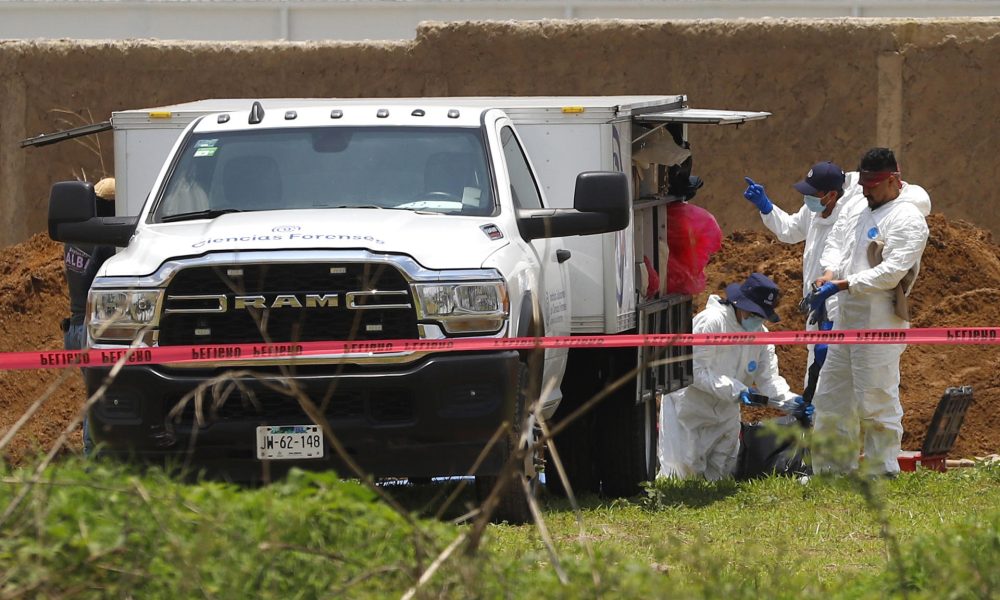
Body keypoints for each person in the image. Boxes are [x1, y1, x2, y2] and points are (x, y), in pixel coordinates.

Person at [806, 148, 930, 477]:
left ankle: (882, 471)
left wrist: (846, 284)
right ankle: (832, 472)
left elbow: (891, 272)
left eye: (873, 186)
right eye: (862, 185)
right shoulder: (860, 205)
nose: (866, 192)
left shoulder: (908, 218)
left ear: (893, 180)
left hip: (880, 321)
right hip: (846, 319)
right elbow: (837, 241)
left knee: (876, 401)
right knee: (831, 399)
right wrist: (829, 273)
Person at [658, 272, 812, 480]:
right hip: (689, 410)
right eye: (754, 314)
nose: (757, 320)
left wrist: (791, 401)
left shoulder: (761, 335)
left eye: (761, 315)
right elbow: (695, 370)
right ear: (741, 305)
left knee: (721, 475)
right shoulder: (711, 322)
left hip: (725, 413)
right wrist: (737, 390)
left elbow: (768, 379)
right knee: (682, 473)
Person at [742, 162, 858, 387]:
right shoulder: (813, 212)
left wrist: (831, 313)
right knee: (816, 375)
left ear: (831, 195)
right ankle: (814, 416)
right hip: (816, 306)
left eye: (813, 194)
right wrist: (766, 206)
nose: (808, 198)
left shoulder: (849, 220)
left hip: (837, 309)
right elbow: (790, 230)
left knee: (832, 379)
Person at [62, 176, 117, 455]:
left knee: (93, 393)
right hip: (89, 329)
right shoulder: (106, 240)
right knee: (100, 398)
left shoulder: (74, 237)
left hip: (73, 326)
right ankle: (92, 457)